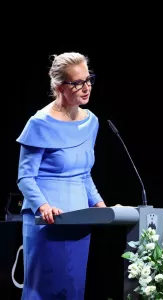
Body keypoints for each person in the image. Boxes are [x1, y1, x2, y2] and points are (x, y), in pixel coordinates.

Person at [16, 52, 106, 299]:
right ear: (59, 87)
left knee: (73, 291)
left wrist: (99, 205)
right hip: (48, 222)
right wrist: (43, 206)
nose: (86, 88)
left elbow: (84, 174)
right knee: (43, 291)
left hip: (79, 222)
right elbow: (25, 178)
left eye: (88, 80)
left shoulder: (92, 122)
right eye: (77, 83)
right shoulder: (39, 123)